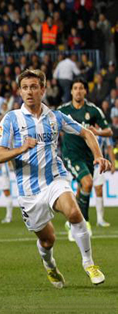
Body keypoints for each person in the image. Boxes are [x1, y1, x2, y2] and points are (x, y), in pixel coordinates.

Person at [0, 69, 111, 288]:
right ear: (20, 91)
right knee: (48, 240)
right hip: (29, 191)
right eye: (25, 88)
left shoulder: (55, 116)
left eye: (34, 87)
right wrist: (20, 148)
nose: (29, 92)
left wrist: (98, 156)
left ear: (43, 90)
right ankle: (50, 265)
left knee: (75, 213)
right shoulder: (11, 119)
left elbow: (87, 133)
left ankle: (89, 264)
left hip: (55, 179)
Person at [58, 78, 112, 240]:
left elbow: (108, 131)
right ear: (72, 91)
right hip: (71, 155)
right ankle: (83, 223)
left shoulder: (93, 110)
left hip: (89, 157)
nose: (78, 91)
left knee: (83, 188)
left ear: (85, 91)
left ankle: (72, 221)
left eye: (81, 88)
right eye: (75, 88)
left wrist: (97, 132)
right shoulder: (63, 110)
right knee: (88, 183)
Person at [93, 135, 115, 227]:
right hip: (84, 163)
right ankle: (77, 220)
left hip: (98, 165)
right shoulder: (83, 127)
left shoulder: (103, 132)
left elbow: (109, 147)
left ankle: (100, 219)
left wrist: (113, 163)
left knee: (99, 190)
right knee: (81, 190)